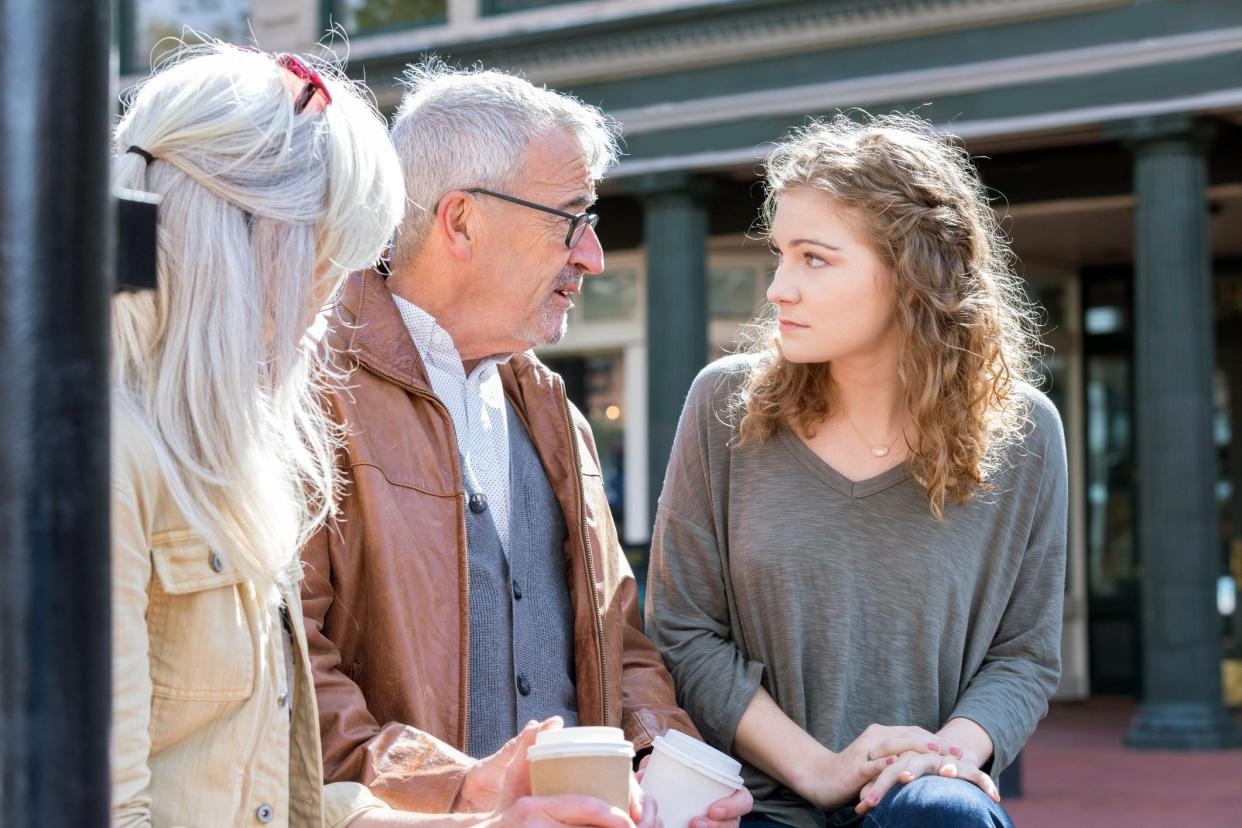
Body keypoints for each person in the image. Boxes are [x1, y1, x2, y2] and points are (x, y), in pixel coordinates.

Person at [110, 43, 635, 828]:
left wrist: (484, 815)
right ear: (251, 241)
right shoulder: (106, 455)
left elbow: (276, 795)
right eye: (328, 260)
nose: (330, 305)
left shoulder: (227, 446)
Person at [299, 62, 751, 828]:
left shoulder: (553, 412)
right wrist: (463, 795)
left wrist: (663, 764)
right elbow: (292, 678)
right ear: (462, 221)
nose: (592, 257)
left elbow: (622, 647)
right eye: (571, 220)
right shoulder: (312, 396)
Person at [645, 114, 1068, 828]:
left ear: (911, 276)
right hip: (754, 807)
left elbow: (1024, 655)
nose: (779, 288)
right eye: (780, 254)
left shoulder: (1025, 434)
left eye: (814, 258)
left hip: (922, 804)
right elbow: (683, 631)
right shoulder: (724, 405)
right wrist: (822, 770)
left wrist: (943, 758)